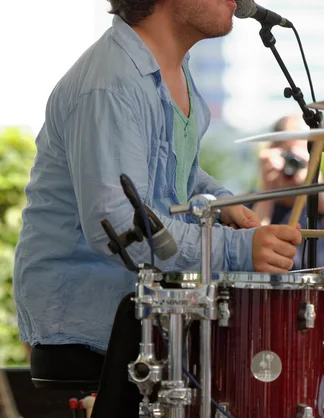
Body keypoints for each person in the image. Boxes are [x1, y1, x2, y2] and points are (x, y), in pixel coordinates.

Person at [13, 0, 303, 359]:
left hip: (147, 310)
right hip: (90, 324)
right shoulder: (111, 84)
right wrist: (234, 249)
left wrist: (221, 202)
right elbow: (119, 225)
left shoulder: (173, 70)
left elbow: (174, 168)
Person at [251, 115, 324, 269]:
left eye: (301, 153)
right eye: (287, 154)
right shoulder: (246, 208)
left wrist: (322, 198)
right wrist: (267, 193)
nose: (293, 163)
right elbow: (248, 260)